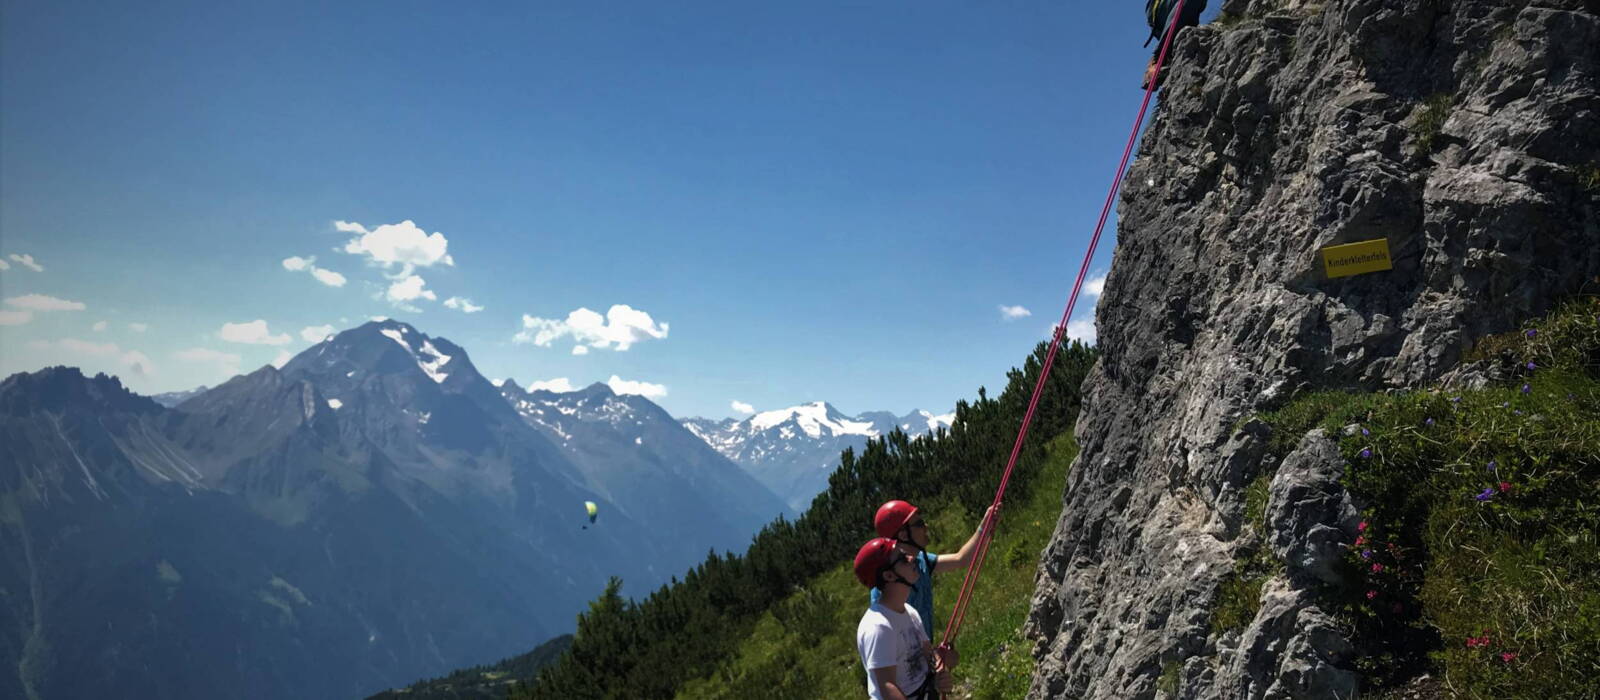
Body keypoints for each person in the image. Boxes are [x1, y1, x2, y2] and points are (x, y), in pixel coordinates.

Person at [870, 500, 995, 641]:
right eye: (919, 524)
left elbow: (961, 559)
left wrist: (984, 527)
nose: (926, 526)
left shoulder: (920, 561)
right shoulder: (888, 585)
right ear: (904, 535)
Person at [854, 537, 956, 700]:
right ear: (889, 575)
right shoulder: (878, 627)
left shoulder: (909, 611)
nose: (911, 558)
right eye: (902, 559)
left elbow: (927, 655)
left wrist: (940, 667)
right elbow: (887, 687)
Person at [1142, 0, 1209, 89]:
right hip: (1160, 11)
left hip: (1158, 13)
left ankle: (1160, 59)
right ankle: (1159, 59)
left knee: (1185, 17)